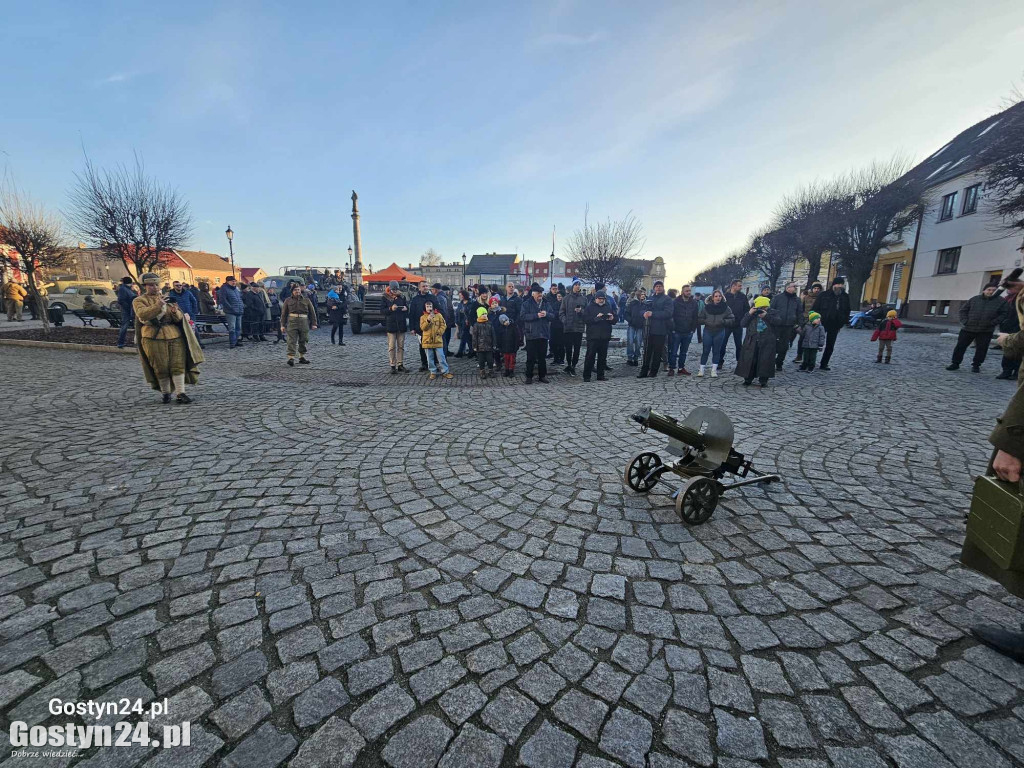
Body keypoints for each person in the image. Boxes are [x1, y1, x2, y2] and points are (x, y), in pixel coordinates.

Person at [132, 272, 203, 403]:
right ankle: (165, 393)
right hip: (153, 337)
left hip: (174, 335)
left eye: (156, 284)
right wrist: (158, 306)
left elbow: (178, 318)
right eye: (151, 285)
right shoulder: (139, 300)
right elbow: (142, 315)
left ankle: (181, 393)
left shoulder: (166, 298)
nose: (155, 287)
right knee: (161, 366)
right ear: (145, 286)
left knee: (178, 364)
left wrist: (176, 312)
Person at [946, 282, 1008, 373]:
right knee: (960, 346)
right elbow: (963, 310)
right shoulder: (974, 299)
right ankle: (955, 363)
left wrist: (993, 323)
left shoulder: (1001, 301)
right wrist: (965, 321)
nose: (991, 292)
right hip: (968, 328)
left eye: (993, 290)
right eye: (989, 289)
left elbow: (1004, 314)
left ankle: (976, 365)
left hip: (985, 330)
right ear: (984, 290)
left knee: (982, 349)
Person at [735, 296, 778, 388]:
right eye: (760, 307)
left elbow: (778, 322)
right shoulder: (752, 313)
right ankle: (748, 379)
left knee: (765, 360)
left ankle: (763, 380)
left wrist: (766, 316)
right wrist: (749, 314)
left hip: (767, 341)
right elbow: (743, 324)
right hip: (752, 340)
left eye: (764, 307)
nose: (762, 309)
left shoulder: (772, 313)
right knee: (750, 360)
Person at [812, 277, 851, 370]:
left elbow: (847, 310)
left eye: (842, 284)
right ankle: (810, 361)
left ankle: (824, 363)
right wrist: (814, 319)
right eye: (838, 284)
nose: (840, 286)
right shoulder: (824, 295)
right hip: (822, 322)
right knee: (814, 343)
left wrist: (843, 321)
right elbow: (815, 308)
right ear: (834, 285)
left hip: (835, 324)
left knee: (830, 345)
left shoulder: (845, 296)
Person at [696, 289, 735, 378]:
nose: (718, 298)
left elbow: (732, 319)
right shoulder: (707, 308)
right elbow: (699, 319)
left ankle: (714, 370)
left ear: (722, 297)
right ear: (712, 298)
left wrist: (723, 321)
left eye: (719, 296)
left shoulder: (726, 308)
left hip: (720, 331)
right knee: (705, 351)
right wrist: (706, 321)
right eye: (716, 296)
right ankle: (701, 369)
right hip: (708, 331)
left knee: (716, 351)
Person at [637, 280, 672, 379]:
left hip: (660, 329)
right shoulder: (650, 298)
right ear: (654, 288)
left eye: (660, 286)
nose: (658, 288)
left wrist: (653, 314)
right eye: (656, 286)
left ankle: (653, 371)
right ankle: (644, 370)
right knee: (647, 351)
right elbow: (641, 310)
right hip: (648, 329)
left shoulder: (667, 299)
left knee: (657, 351)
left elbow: (668, 313)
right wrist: (643, 313)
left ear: (663, 287)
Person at [280, 284, 317, 366]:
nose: (297, 291)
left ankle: (302, 357)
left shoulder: (306, 300)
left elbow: (312, 312)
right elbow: (284, 313)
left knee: (303, 339)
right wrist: (282, 325)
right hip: (292, 322)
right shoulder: (288, 300)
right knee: (291, 340)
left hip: (303, 321)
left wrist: (314, 323)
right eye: (295, 290)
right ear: (292, 292)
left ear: (301, 291)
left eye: (298, 290)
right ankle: (291, 358)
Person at [582, 290, 616, 382]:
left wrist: (612, 318)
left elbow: (614, 320)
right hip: (593, 336)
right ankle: (586, 376)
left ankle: (600, 375)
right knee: (590, 357)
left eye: (603, 299)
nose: (601, 300)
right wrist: (596, 318)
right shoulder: (589, 307)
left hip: (605, 336)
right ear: (595, 299)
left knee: (602, 357)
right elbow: (585, 319)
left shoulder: (608, 306)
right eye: (599, 299)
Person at [521, 283, 551, 384]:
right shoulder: (526, 303)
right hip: (531, 334)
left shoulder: (546, 303)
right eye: (538, 293)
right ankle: (529, 376)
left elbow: (553, 316)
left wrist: (547, 314)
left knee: (542, 357)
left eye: (541, 293)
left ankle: (542, 376)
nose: (540, 295)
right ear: (533, 294)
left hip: (543, 334)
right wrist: (536, 315)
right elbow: (523, 316)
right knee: (531, 357)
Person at [769, 281, 802, 371]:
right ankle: (769, 361)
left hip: (789, 326)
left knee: (784, 346)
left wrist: (799, 324)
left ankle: (779, 363)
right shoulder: (777, 298)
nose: (795, 288)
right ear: (788, 288)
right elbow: (771, 310)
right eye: (793, 286)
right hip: (777, 325)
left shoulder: (797, 300)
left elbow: (799, 313)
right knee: (773, 344)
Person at [668, 285, 698, 376]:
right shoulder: (676, 302)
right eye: (686, 291)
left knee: (683, 352)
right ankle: (671, 368)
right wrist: (673, 329)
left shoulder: (693, 303)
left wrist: (693, 329)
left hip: (688, 331)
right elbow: (671, 316)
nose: (688, 292)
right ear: (682, 292)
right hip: (676, 331)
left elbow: (695, 317)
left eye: (689, 291)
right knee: (673, 351)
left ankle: (681, 368)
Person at [559, 278, 586, 376]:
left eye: (579, 285)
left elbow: (587, 313)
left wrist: (581, 311)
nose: (578, 286)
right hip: (568, 327)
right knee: (568, 348)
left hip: (578, 327)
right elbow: (561, 312)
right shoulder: (566, 298)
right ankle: (569, 364)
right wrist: (564, 320)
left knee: (577, 349)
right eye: (576, 285)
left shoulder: (583, 299)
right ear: (573, 286)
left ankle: (574, 365)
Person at [419, 300, 453, 379]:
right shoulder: (423, 317)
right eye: (427, 307)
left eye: (430, 306)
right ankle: (433, 372)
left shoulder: (439, 315)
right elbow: (423, 327)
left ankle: (445, 371)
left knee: (441, 356)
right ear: (425, 308)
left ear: (433, 307)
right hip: (427, 340)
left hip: (437, 339)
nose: (429, 308)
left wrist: (439, 332)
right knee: (430, 358)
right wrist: (428, 320)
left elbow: (443, 325)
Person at [997, 282, 1021, 380]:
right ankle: (1006, 371)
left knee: (1019, 351)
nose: (1009, 290)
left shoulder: (1020, 298)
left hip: (1018, 328)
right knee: (1007, 350)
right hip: (1007, 328)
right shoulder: (1007, 299)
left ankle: (1017, 372)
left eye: (1012, 288)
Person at [408, 282, 435, 371]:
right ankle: (424, 363)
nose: (425, 288)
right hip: (420, 327)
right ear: (419, 288)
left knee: (433, 345)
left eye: (427, 286)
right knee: (422, 346)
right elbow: (411, 314)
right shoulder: (415, 299)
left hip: (432, 326)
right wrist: (412, 328)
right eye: (423, 286)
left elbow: (439, 309)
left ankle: (432, 363)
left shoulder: (432, 298)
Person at [793, 282, 822, 364]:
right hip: (805, 320)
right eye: (815, 288)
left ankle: (810, 359)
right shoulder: (806, 297)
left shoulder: (821, 298)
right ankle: (799, 355)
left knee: (813, 340)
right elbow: (801, 308)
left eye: (818, 289)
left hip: (816, 321)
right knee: (802, 339)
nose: (816, 290)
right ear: (812, 289)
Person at [383, 280, 408, 373]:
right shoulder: (385, 297)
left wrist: (406, 308)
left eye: (396, 289)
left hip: (401, 324)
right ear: (390, 289)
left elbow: (406, 307)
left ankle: (400, 364)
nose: (394, 291)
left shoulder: (402, 296)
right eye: (393, 289)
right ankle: (392, 365)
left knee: (401, 346)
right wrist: (390, 308)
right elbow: (382, 310)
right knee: (392, 346)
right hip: (391, 324)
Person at [723, 280, 750, 363]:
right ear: (733, 286)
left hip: (738, 324)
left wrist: (743, 320)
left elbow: (747, 309)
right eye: (739, 286)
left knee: (739, 345)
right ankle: (720, 361)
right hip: (726, 324)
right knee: (722, 344)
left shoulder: (742, 296)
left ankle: (740, 362)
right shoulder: (725, 296)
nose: (741, 287)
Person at [219, 275, 245, 347]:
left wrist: (242, 306)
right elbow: (223, 300)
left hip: (239, 310)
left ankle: (237, 340)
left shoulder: (236, 289)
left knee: (238, 327)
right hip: (231, 312)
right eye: (232, 281)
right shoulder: (224, 289)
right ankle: (232, 342)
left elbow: (239, 298)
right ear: (228, 282)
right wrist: (230, 308)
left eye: (235, 281)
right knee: (232, 328)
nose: (234, 282)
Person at [471, 304, 495, 377]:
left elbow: (493, 335)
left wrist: (494, 344)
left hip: (489, 346)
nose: (484, 315)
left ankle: (491, 371)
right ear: (479, 315)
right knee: (481, 361)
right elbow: (474, 336)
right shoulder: (476, 325)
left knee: (490, 360)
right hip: (480, 346)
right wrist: (474, 346)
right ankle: (482, 371)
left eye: (485, 314)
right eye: (482, 314)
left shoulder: (489, 324)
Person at [625, 289, 647, 366]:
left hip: (640, 326)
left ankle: (636, 358)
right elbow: (626, 313)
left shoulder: (646, 304)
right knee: (630, 341)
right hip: (632, 325)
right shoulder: (632, 303)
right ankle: (630, 358)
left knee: (638, 342)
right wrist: (630, 320)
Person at [430, 283, 453, 356]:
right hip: (447, 320)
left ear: (436, 290)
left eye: (432, 289)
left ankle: (442, 356)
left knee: (442, 340)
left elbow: (442, 310)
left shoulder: (439, 297)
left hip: (442, 321)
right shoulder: (445, 296)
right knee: (445, 338)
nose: (432, 291)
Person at [544, 285, 565, 366]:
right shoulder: (554, 303)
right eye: (558, 296)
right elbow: (552, 313)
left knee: (561, 344)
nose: (559, 297)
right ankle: (556, 359)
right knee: (554, 343)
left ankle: (561, 359)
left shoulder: (564, 304)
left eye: (560, 296)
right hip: (554, 325)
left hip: (562, 326)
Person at [116, 277, 137, 348]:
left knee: (126, 326)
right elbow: (121, 300)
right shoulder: (123, 289)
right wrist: (128, 307)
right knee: (124, 326)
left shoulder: (126, 289)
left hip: (129, 309)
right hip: (127, 310)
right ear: (130, 283)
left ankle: (122, 342)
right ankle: (120, 342)